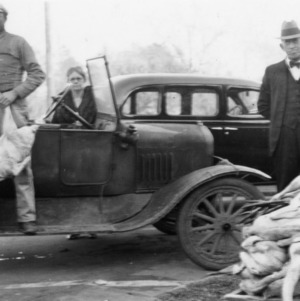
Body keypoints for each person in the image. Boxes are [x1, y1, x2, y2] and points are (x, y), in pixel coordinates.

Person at [0, 4, 45, 234]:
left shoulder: (18, 42)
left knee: (21, 163)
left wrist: (14, 93)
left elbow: (38, 74)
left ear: (5, 17)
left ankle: (27, 218)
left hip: (14, 108)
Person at [258, 20, 300, 192]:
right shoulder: (272, 71)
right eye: (287, 42)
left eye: (295, 40)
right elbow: (263, 106)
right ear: (281, 46)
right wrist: (281, 121)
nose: (292, 46)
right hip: (284, 140)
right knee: (285, 187)